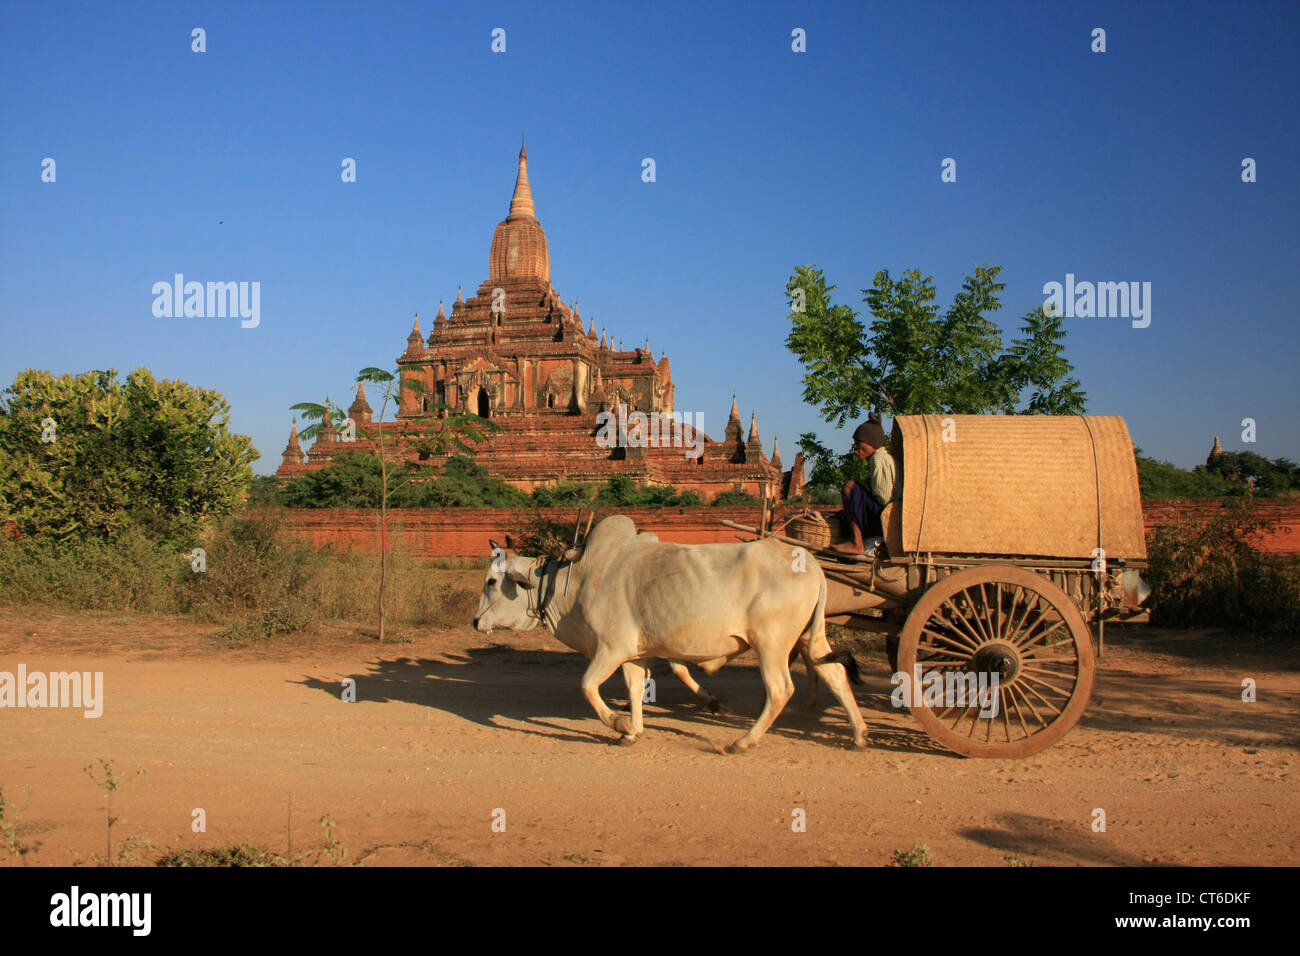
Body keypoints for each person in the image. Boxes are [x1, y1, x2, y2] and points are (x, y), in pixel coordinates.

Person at [832, 413, 896, 555]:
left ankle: (857, 543)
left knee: (849, 487)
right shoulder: (880, 458)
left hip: (886, 521)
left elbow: (884, 499)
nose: (854, 446)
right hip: (885, 519)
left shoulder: (879, 460)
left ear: (871, 443)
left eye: (858, 442)